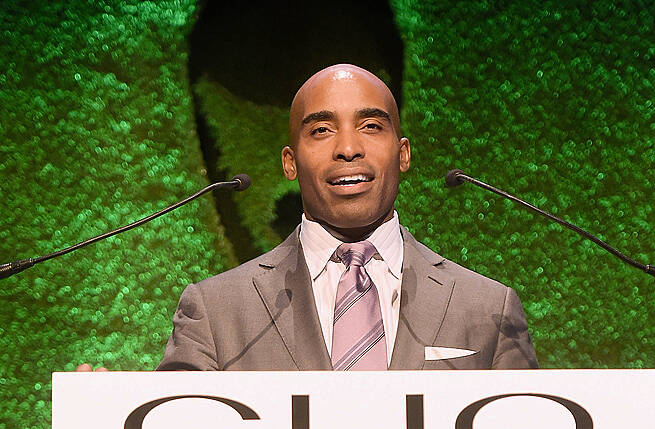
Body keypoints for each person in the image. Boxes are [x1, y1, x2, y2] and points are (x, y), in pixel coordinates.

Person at [79, 64, 537, 372]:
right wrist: (104, 415)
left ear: (403, 154)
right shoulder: (216, 315)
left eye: (371, 126)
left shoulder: (487, 310)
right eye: (321, 130)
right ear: (290, 163)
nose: (347, 147)